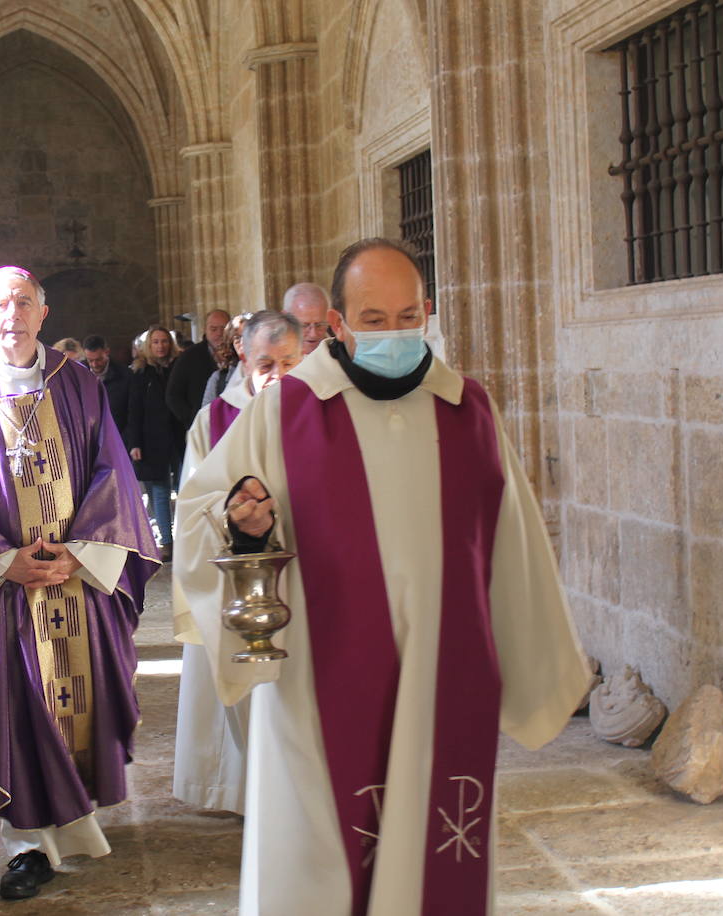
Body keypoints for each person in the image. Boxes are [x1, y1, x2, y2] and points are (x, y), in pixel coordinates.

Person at [175, 238, 590, 916]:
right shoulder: (286, 411)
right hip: (318, 682)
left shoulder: (468, 410)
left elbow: (512, 543)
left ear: (427, 312)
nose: (393, 334)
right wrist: (244, 522)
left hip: (441, 679)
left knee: (432, 863)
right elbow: (202, 511)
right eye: (373, 320)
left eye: (407, 317)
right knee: (318, 876)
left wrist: (534, 660)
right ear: (337, 324)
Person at [0, 265, 159, 902]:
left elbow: (112, 470)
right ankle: (26, 845)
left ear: (42, 313)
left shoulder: (78, 384)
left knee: (79, 703)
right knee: (10, 707)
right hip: (3, 588)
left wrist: (80, 555)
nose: (13, 315)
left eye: (24, 302)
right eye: (0, 304)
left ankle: (76, 825)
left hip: (74, 579)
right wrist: (4, 561)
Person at [172, 310, 302, 816]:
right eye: (266, 362)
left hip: (303, 574)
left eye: (289, 362)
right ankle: (250, 794)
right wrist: (232, 512)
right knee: (243, 685)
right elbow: (191, 502)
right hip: (239, 573)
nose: (278, 374)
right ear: (243, 357)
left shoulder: (319, 412)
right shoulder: (215, 421)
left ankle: (295, 790)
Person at [126, 326, 184, 560]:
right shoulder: (140, 373)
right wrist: (135, 443)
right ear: (149, 346)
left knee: (183, 488)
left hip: (178, 435)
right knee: (159, 492)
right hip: (152, 439)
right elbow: (134, 410)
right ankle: (167, 542)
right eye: (156, 342)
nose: (161, 346)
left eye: (164, 341)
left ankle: (185, 537)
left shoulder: (178, 367)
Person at [164, 309, 230, 428]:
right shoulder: (190, 356)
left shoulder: (238, 354)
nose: (219, 333)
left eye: (223, 329)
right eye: (213, 329)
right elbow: (173, 395)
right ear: (205, 329)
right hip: (201, 425)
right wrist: (193, 420)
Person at [80, 334, 131, 441]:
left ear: (107, 352)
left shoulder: (125, 375)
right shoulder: (79, 375)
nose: (94, 364)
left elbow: (131, 412)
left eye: (99, 359)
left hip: (118, 436)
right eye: (90, 360)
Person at [200, 312, 250, 408]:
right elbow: (207, 417)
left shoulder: (272, 373)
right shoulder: (218, 379)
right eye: (237, 338)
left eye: (247, 336)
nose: (243, 342)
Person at [281, 281, 331, 355]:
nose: (313, 334)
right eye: (304, 325)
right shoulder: (273, 355)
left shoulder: (340, 355)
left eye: (319, 325)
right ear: (285, 320)